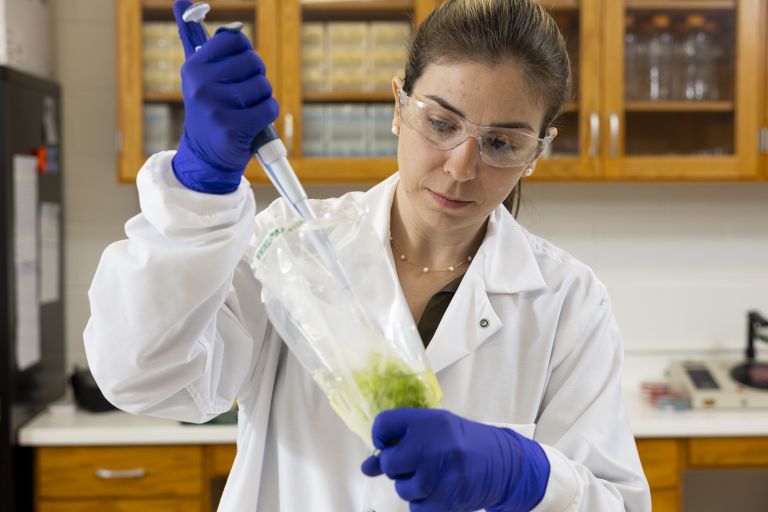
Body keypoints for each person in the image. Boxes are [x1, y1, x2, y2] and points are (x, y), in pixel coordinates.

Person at [85, 0, 651, 510]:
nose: (460, 167)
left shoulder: (566, 302)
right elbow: (142, 378)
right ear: (398, 105)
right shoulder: (289, 246)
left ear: (538, 151)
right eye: (440, 123)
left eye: (502, 142)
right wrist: (198, 187)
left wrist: (526, 478)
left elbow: (617, 503)